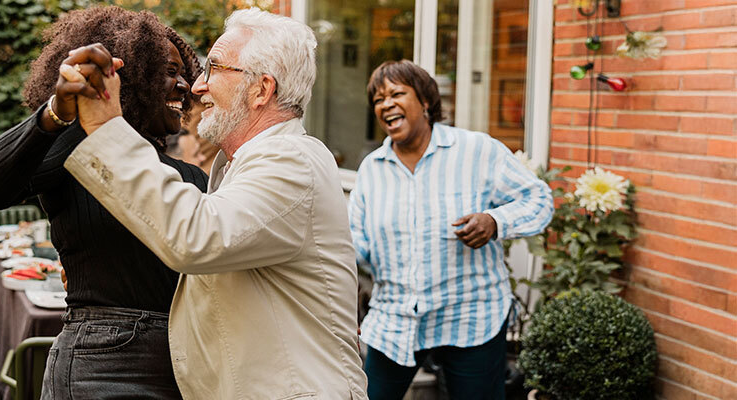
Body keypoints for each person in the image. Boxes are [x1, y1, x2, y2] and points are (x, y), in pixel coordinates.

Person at [59, 8, 367, 399]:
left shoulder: (292, 161)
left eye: (215, 68)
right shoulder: (243, 168)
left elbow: (195, 237)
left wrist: (106, 128)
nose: (197, 86)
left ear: (261, 89)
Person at [0, 6, 206, 398]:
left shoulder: (193, 178)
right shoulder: (78, 151)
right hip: (101, 365)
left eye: (186, 74)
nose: (185, 85)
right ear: (130, 79)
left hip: (186, 367)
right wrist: (56, 114)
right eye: (169, 71)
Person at [349, 60, 553, 400]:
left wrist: (494, 221)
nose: (386, 105)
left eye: (397, 94)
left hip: (471, 315)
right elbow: (356, 243)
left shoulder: (475, 150)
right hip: (394, 318)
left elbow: (539, 199)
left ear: (426, 102)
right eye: (378, 100)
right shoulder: (372, 169)